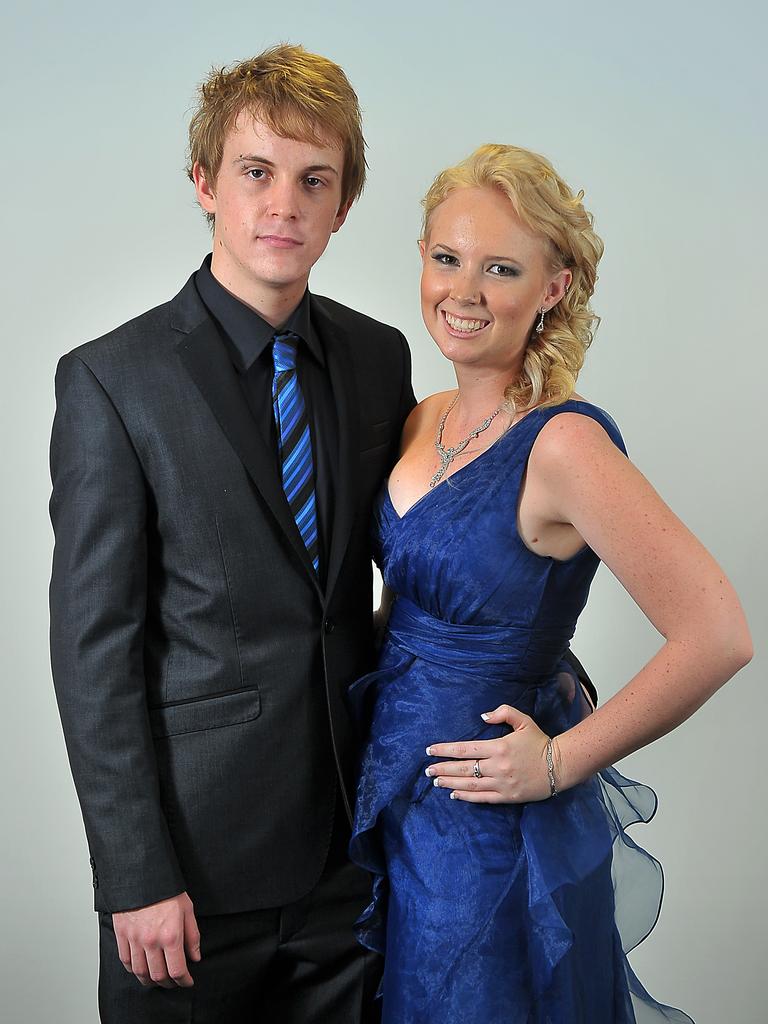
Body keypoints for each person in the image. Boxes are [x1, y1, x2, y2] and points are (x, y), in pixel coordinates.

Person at [48, 45, 416, 1023]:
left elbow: (413, 568)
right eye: (256, 172)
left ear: (343, 206)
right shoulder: (111, 381)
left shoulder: (379, 360)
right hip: (189, 883)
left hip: (354, 856)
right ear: (206, 184)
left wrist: (527, 651)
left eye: (314, 180)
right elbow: (95, 652)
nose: (284, 203)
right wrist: (133, 872)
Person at [348, 144, 753, 1023]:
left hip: (485, 838)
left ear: (554, 288)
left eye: (501, 269)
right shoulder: (426, 416)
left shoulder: (565, 445)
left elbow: (717, 632)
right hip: (395, 794)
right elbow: (412, 599)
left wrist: (560, 760)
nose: (463, 291)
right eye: (447, 258)